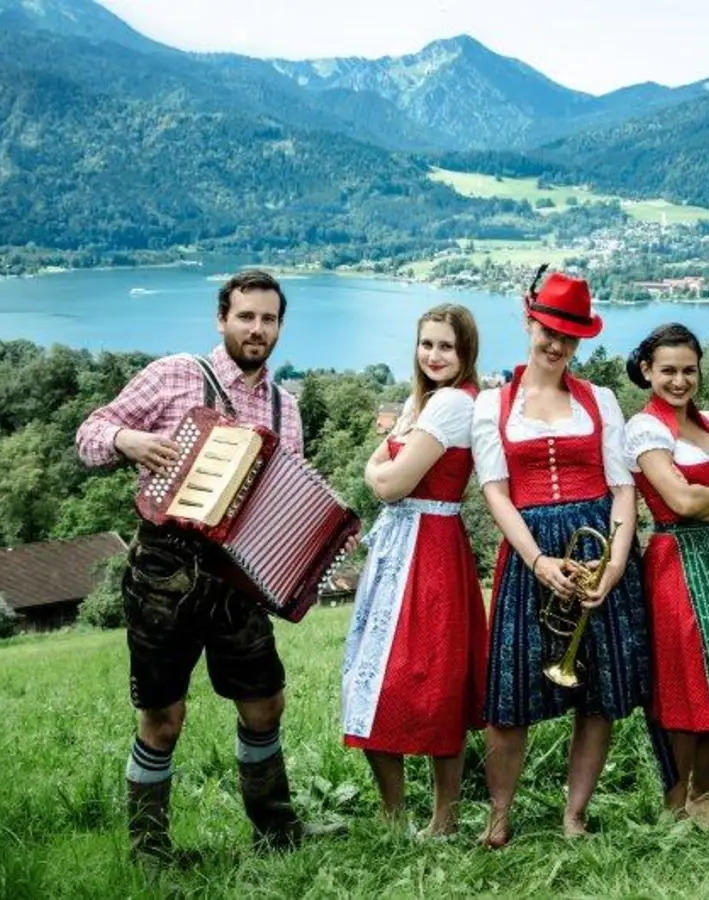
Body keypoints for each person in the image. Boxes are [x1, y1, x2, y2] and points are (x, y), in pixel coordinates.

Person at [75, 270, 315, 862]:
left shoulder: (287, 409)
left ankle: (275, 830)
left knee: (265, 704)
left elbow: (282, 502)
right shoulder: (175, 374)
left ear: (280, 326)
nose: (258, 329)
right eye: (246, 317)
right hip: (165, 572)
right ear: (222, 318)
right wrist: (128, 442)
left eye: (269, 319)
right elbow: (90, 433)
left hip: (237, 580)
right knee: (163, 718)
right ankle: (150, 849)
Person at [470, 272, 649, 848]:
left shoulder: (601, 399)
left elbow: (623, 488)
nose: (557, 345)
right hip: (531, 558)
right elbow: (496, 491)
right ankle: (499, 815)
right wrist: (538, 560)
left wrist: (616, 563)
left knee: (597, 693)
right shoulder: (493, 404)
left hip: (597, 553)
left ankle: (575, 814)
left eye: (569, 337)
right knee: (511, 695)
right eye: (549, 330)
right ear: (529, 322)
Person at [340, 303, 488, 838]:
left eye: (446, 346)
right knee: (374, 675)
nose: (434, 355)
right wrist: (380, 469)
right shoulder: (418, 401)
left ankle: (441, 817)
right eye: (427, 344)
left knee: (431, 680)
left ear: (466, 351)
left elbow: (387, 482)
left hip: (429, 547)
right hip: (399, 547)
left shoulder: (450, 405)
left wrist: (379, 469)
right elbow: (377, 471)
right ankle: (398, 815)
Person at [622, 324, 709, 831]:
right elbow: (678, 503)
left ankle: (701, 792)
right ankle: (678, 798)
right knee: (688, 687)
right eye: (668, 371)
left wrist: (706, 500)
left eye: (688, 370)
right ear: (647, 372)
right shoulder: (645, 429)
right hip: (675, 561)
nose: (680, 381)